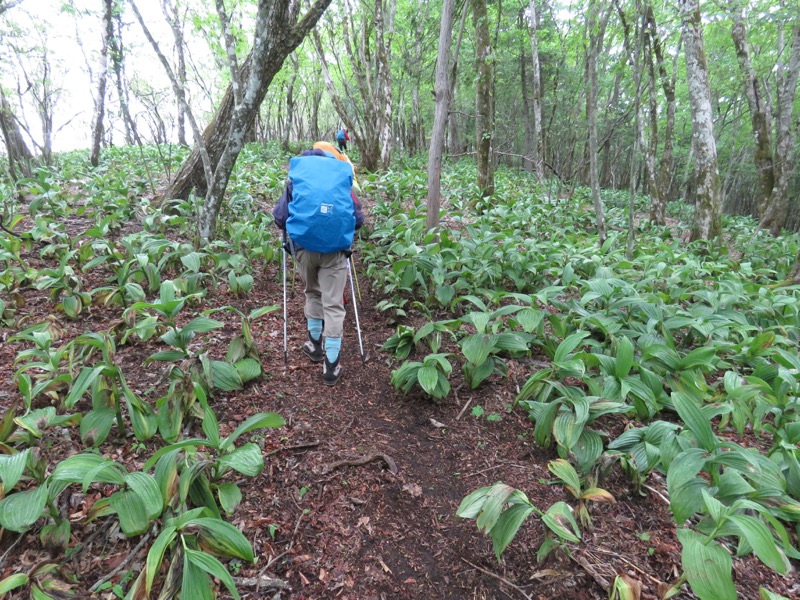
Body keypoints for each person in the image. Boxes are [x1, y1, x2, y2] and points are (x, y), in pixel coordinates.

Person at [273, 148, 364, 386]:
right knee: (333, 304)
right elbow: (359, 219)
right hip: (335, 251)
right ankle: (331, 365)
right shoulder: (340, 180)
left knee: (312, 292)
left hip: (304, 249)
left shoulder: (297, 180)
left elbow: (280, 217)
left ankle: (314, 345)